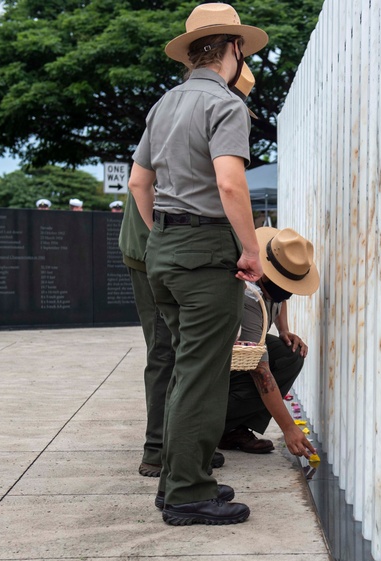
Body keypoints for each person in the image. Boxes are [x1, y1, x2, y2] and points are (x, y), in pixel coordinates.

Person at [127, 2, 268, 527]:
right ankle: (188, 492)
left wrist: (164, 231)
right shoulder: (226, 106)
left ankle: (177, 480)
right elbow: (230, 183)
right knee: (204, 375)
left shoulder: (164, 104)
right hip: (208, 255)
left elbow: (140, 183)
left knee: (184, 368)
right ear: (232, 49)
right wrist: (250, 250)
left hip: (164, 251)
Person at [220, 227, 319, 460]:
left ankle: (235, 427)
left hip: (236, 360)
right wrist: (289, 428)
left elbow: (278, 302)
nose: (287, 292)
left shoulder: (271, 288)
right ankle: (221, 425)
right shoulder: (249, 299)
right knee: (265, 371)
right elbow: (260, 372)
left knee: (290, 354)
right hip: (216, 377)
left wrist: (284, 330)